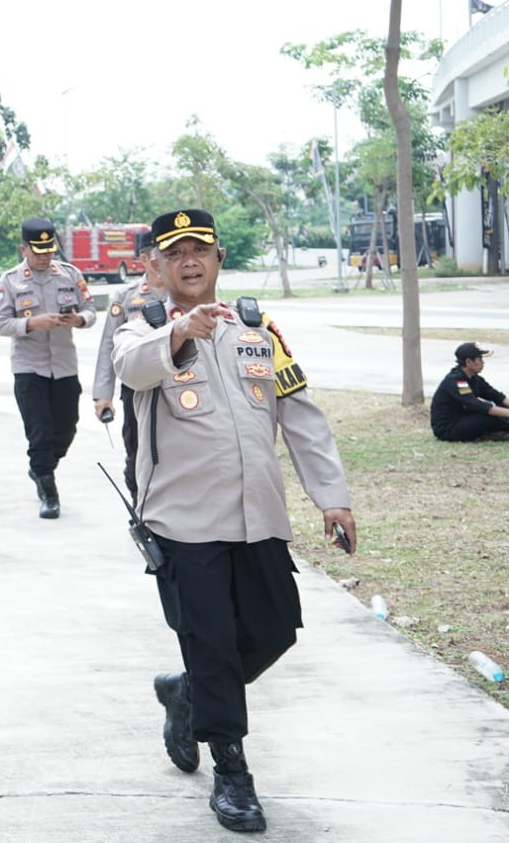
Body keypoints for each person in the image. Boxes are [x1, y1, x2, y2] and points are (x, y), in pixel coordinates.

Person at [112, 208, 355, 834]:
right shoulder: (144, 325)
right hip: (183, 524)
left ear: (218, 259)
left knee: (277, 629)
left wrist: (332, 496)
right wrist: (179, 332)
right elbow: (131, 367)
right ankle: (232, 773)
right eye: (176, 253)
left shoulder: (258, 329)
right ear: (158, 267)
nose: (190, 261)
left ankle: (187, 693)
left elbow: (300, 416)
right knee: (214, 644)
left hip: (259, 518)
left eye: (202, 250)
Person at [0, 217, 96, 518]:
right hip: (29, 368)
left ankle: (41, 468)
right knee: (39, 433)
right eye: (38, 251)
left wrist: (79, 320)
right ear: (23, 249)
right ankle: (48, 492)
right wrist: (33, 323)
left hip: (64, 365)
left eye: (49, 250)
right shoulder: (10, 281)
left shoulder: (70, 275)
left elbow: (90, 311)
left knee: (66, 429)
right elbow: (0, 322)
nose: (44, 256)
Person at [91, 230, 166, 500]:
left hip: (177, 385)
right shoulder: (126, 295)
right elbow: (109, 346)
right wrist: (103, 395)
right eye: (156, 256)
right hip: (136, 387)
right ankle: (139, 503)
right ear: (144, 260)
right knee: (135, 447)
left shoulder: (182, 290)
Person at [430, 342, 509, 441]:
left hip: (464, 419)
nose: (483, 362)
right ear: (468, 362)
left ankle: (493, 432)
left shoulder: (473, 378)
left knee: (498, 409)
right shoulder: (456, 380)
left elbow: (496, 395)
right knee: (488, 417)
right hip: (448, 429)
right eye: (479, 359)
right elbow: (475, 405)